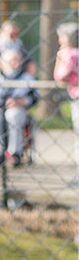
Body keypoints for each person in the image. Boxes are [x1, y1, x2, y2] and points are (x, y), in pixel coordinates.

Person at [0, 49, 37, 167]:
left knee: (13, 115)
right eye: (11, 61)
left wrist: (21, 101)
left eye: (17, 60)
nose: (15, 63)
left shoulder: (26, 77)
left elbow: (34, 97)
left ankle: (15, 152)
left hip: (17, 108)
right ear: (2, 62)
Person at [53, 22, 79, 187]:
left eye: (61, 37)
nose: (59, 40)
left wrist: (59, 57)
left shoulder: (68, 53)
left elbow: (60, 76)